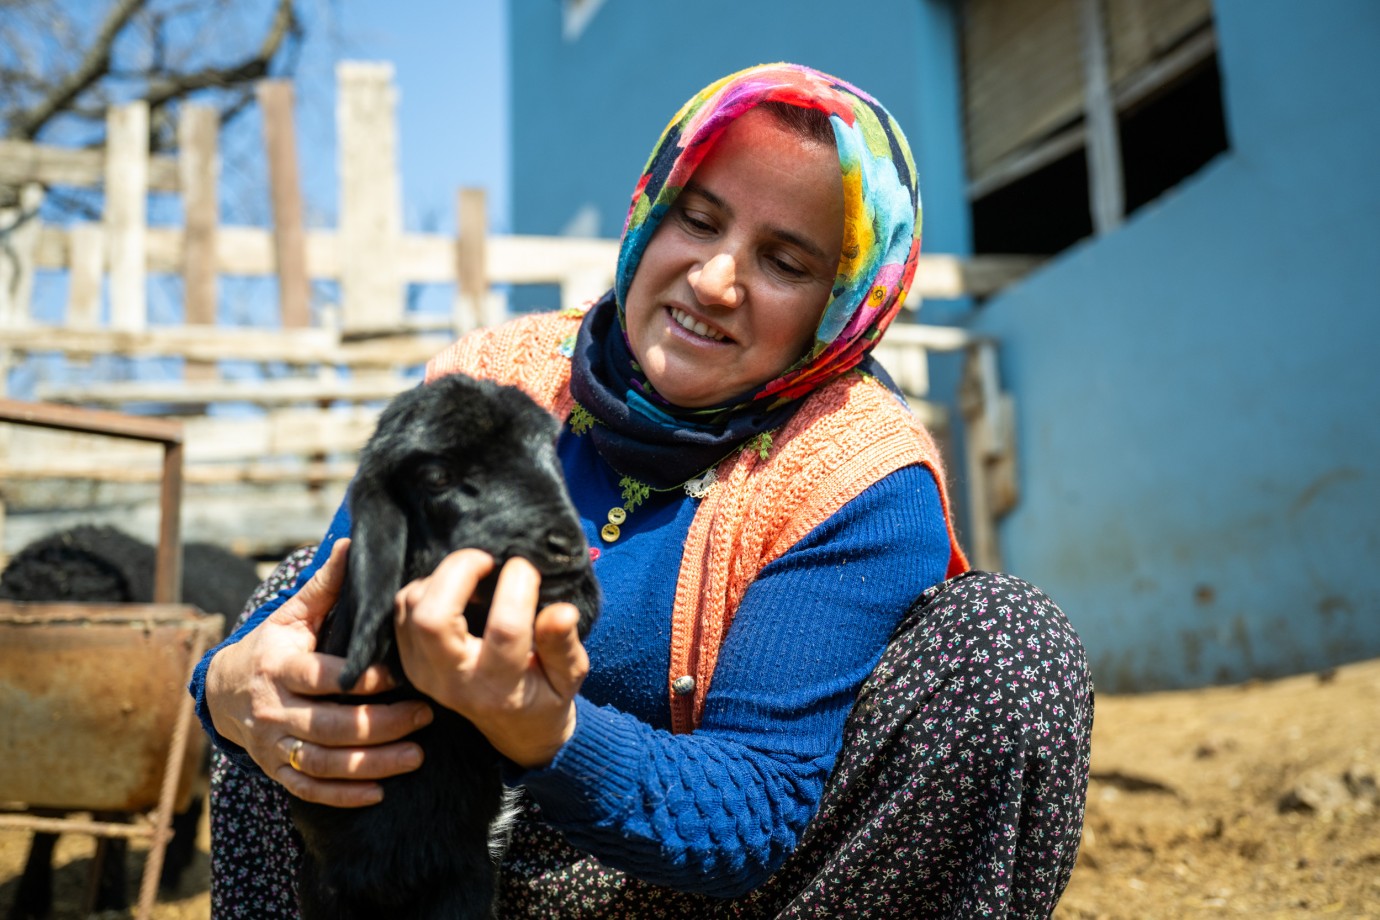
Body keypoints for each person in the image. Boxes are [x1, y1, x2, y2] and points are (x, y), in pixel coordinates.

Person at [191, 63, 1093, 917]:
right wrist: (227, 687)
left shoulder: (857, 472)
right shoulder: (492, 383)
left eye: (785, 262)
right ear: (649, 216)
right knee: (290, 611)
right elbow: (298, 626)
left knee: (1008, 652)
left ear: (843, 303)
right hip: (441, 866)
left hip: (714, 888)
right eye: (698, 221)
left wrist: (547, 734)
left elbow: (759, 804)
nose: (714, 280)